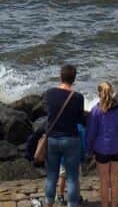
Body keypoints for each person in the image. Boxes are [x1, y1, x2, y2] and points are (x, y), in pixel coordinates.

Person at [42, 64, 85, 207]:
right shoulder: (78, 97)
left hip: (53, 139)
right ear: (74, 79)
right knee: (72, 177)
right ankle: (72, 204)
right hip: (71, 139)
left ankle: (49, 203)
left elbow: (48, 113)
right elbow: (80, 120)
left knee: (52, 176)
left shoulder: (49, 93)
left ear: (60, 76)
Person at [86, 81, 118, 207]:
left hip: (101, 150)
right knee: (115, 180)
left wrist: (88, 148)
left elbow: (91, 133)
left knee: (104, 181)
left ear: (99, 94)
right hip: (117, 148)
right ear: (112, 92)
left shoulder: (96, 111)